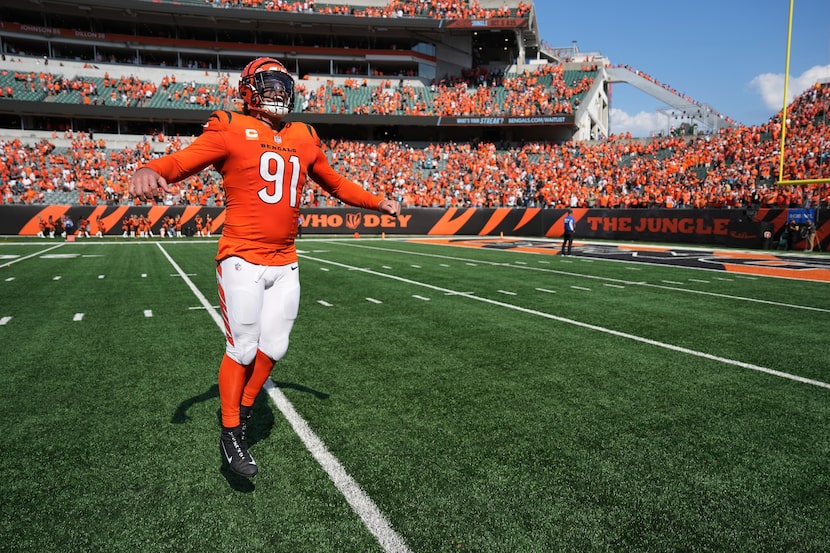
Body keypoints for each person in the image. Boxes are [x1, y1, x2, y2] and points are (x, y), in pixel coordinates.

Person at [129, 57, 401, 478]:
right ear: (247, 90)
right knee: (241, 347)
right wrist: (151, 168)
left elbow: (335, 182)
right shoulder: (229, 126)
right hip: (241, 256)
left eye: (281, 85)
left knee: (274, 348)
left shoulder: (304, 135)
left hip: (285, 259)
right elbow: (184, 161)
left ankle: (247, 408)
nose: (276, 92)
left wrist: (375, 201)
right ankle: (230, 430)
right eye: (267, 84)